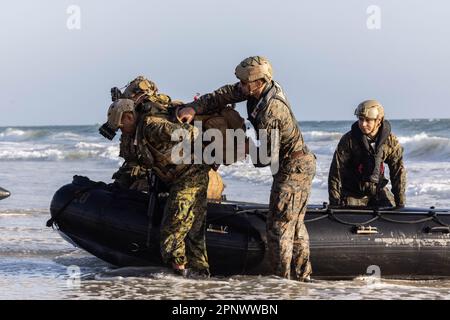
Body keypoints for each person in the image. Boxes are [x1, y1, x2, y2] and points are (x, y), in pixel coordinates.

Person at [177, 56, 316, 281]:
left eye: (245, 83)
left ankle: (284, 283)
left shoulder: (272, 110)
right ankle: (301, 279)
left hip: (294, 165)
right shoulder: (255, 89)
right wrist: (193, 107)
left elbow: (266, 158)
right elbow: (223, 95)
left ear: (259, 82)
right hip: (292, 163)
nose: (241, 87)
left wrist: (245, 145)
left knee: (280, 227)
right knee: (293, 225)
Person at [105, 95, 211, 278]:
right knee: (193, 228)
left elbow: (192, 133)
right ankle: (200, 275)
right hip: (179, 177)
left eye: (122, 127)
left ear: (129, 117)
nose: (122, 132)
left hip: (190, 175)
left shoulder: (153, 127)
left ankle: (179, 274)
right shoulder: (136, 134)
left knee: (173, 229)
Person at [328, 100, 406, 208]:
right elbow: (336, 172)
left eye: (368, 120)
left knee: (390, 209)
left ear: (378, 120)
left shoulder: (390, 141)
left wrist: (400, 204)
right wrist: (334, 204)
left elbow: (398, 172)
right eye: (360, 119)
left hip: (378, 191)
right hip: (353, 193)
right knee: (348, 214)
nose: (363, 124)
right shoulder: (349, 140)